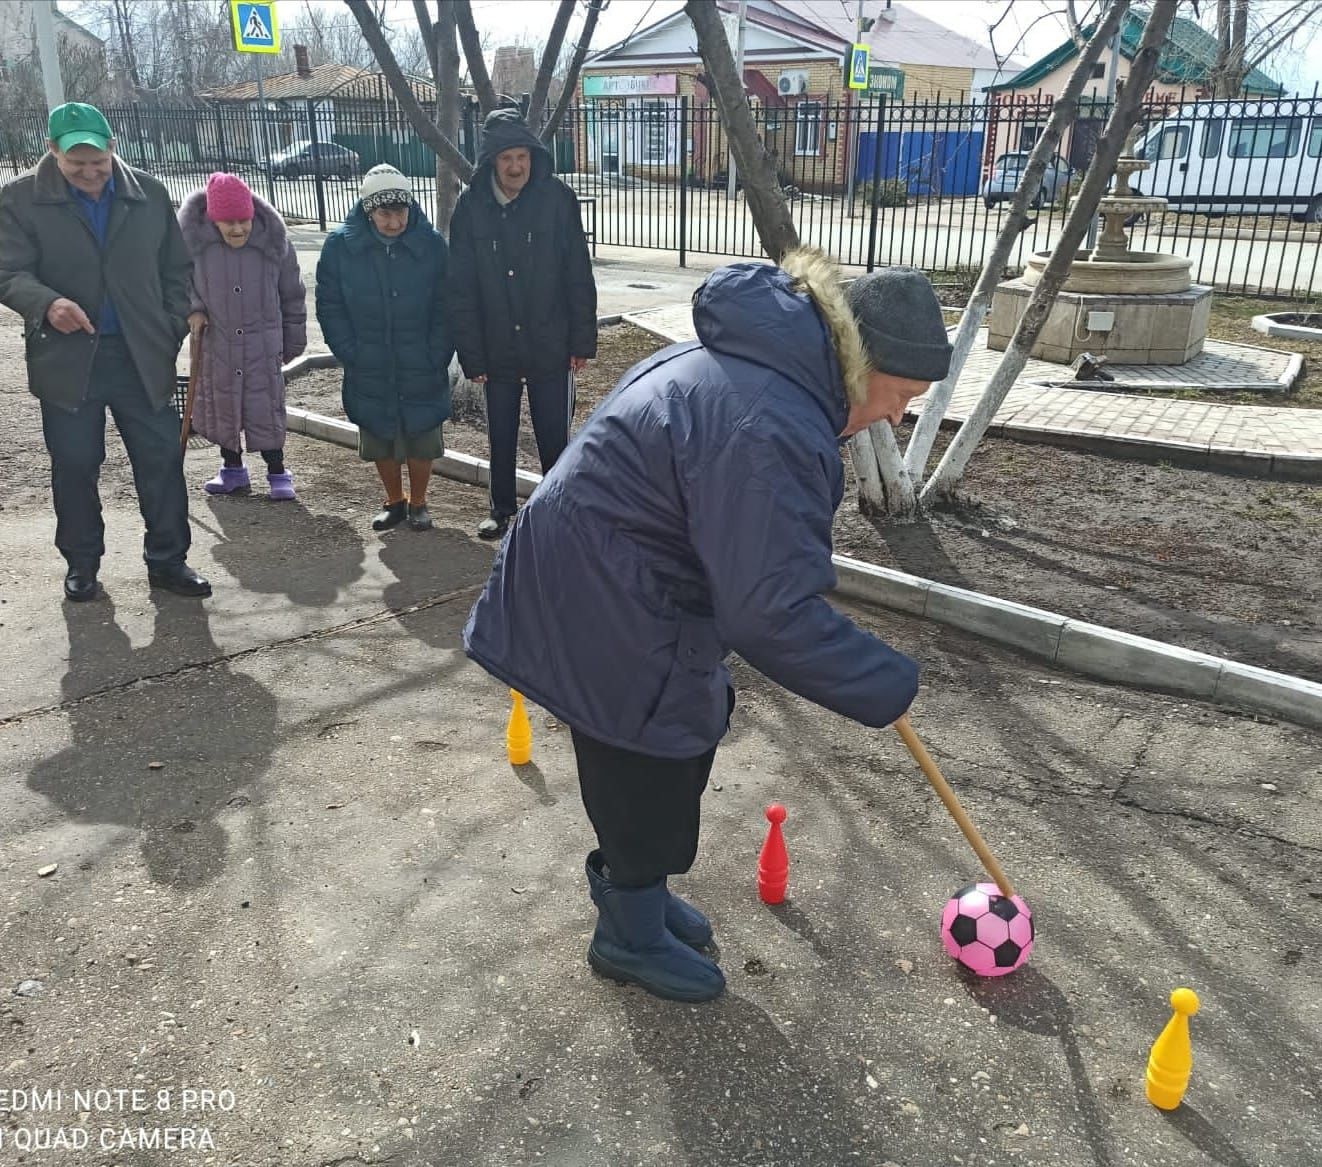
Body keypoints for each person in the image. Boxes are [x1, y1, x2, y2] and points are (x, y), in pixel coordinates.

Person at [464, 250, 954, 1003]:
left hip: (609, 574)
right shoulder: (774, 421)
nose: (896, 415)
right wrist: (882, 680)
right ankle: (626, 931)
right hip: (607, 591)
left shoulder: (764, 365)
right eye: (901, 394)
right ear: (863, 365)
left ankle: (642, 898)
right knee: (646, 750)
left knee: (675, 731)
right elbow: (770, 611)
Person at [0, 102, 210, 600]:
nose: (90, 172)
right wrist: (47, 303)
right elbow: (8, 272)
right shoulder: (20, 200)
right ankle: (82, 564)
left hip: (142, 355)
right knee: (74, 463)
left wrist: (167, 327)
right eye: (77, 163)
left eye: (99, 160)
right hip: (69, 360)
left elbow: (176, 270)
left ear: (113, 147)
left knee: (159, 461)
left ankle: (168, 560)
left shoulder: (149, 194)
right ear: (53, 152)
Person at [447, 108, 597, 541]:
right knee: (502, 433)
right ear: (492, 161)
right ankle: (501, 507)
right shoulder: (471, 207)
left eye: (522, 157)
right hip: (496, 345)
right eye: (506, 158)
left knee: (555, 433)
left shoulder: (557, 200)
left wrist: (581, 340)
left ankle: (556, 505)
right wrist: (471, 352)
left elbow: (577, 274)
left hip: (551, 340)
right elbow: (460, 286)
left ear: (533, 157)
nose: (516, 167)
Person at [316, 165, 452, 531]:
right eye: (384, 214)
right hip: (369, 359)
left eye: (400, 212)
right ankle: (394, 501)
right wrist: (350, 350)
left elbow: (447, 302)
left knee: (422, 437)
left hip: (420, 358)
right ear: (368, 210)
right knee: (379, 435)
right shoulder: (341, 246)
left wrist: (437, 351)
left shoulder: (432, 244)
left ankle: (420, 502)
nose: (394, 223)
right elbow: (329, 304)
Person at [178, 173, 307, 500]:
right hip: (217, 342)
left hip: (261, 345)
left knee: (265, 408)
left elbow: (292, 294)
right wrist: (192, 309)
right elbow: (177, 283)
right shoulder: (195, 248)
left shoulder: (273, 244)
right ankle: (232, 471)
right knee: (223, 406)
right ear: (213, 221)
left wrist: (293, 340)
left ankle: (277, 472)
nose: (237, 229)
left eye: (243, 221)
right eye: (228, 222)